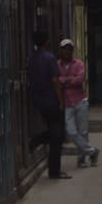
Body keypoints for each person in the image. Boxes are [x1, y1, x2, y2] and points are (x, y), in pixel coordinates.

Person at [27, 30, 69, 180]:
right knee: (57, 136)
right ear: (46, 42)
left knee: (55, 132)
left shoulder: (31, 59)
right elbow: (55, 81)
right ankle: (54, 171)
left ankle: (37, 140)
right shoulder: (50, 58)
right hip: (51, 100)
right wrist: (61, 101)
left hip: (38, 100)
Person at [58, 37, 98, 168]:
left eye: (69, 49)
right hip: (68, 103)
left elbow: (80, 79)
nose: (67, 52)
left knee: (83, 131)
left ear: (72, 50)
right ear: (61, 51)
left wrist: (65, 81)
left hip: (80, 101)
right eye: (65, 49)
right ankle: (92, 151)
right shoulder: (57, 65)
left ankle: (81, 159)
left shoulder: (79, 63)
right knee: (71, 131)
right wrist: (69, 79)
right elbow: (58, 80)